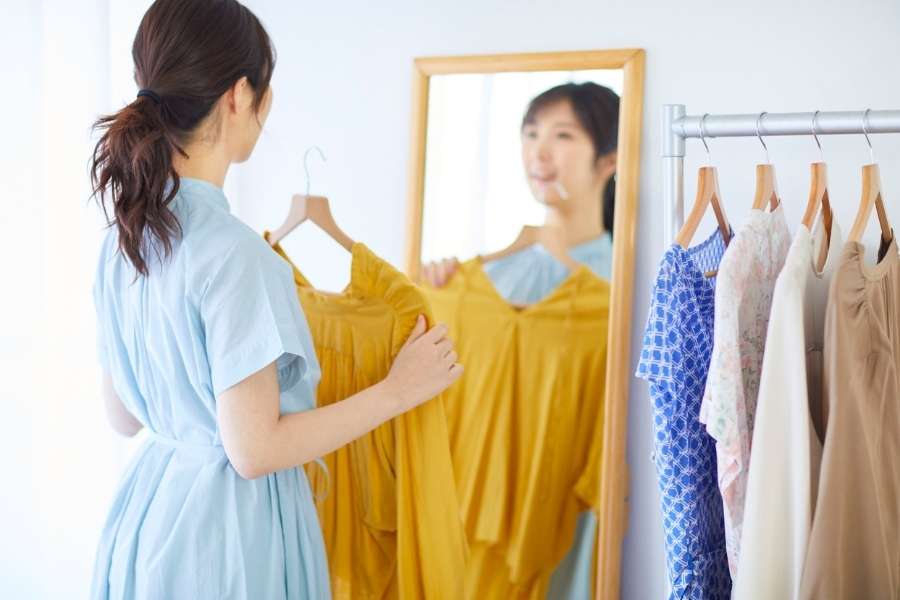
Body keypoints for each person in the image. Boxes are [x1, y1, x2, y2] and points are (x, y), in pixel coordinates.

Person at [88, 1, 461, 598]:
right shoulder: (237, 254)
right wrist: (398, 391)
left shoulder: (125, 238)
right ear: (240, 95)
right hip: (230, 534)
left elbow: (123, 416)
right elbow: (255, 450)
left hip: (149, 515)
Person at [422, 81, 619, 600]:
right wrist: (436, 294)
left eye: (562, 135)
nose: (540, 151)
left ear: (609, 160)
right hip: (466, 528)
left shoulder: (623, 288)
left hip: (565, 530)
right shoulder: (482, 280)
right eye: (530, 134)